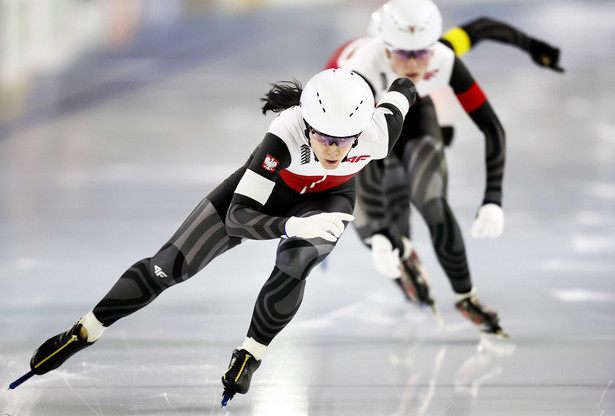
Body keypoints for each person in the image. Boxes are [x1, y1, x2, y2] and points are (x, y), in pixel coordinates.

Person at [22, 68, 417, 405]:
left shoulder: (378, 132)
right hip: (262, 196)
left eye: (345, 139)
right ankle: (85, 330)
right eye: (324, 138)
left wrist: (395, 68)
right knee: (169, 267)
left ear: (360, 130)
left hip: (329, 199)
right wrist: (289, 226)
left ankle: (250, 354)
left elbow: (404, 89)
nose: (334, 150)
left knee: (296, 262)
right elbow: (239, 217)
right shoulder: (284, 133)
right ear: (308, 124)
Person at [324, 0, 564, 337]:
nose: (412, 64)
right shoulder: (361, 69)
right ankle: (401, 256)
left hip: (415, 114)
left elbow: (482, 33)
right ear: (384, 46)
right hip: (359, 121)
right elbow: (348, 158)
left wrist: (492, 198)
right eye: (402, 54)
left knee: (432, 201)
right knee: (373, 221)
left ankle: (466, 296)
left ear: (433, 45)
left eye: (421, 53)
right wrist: (378, 234)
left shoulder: (443, 55)